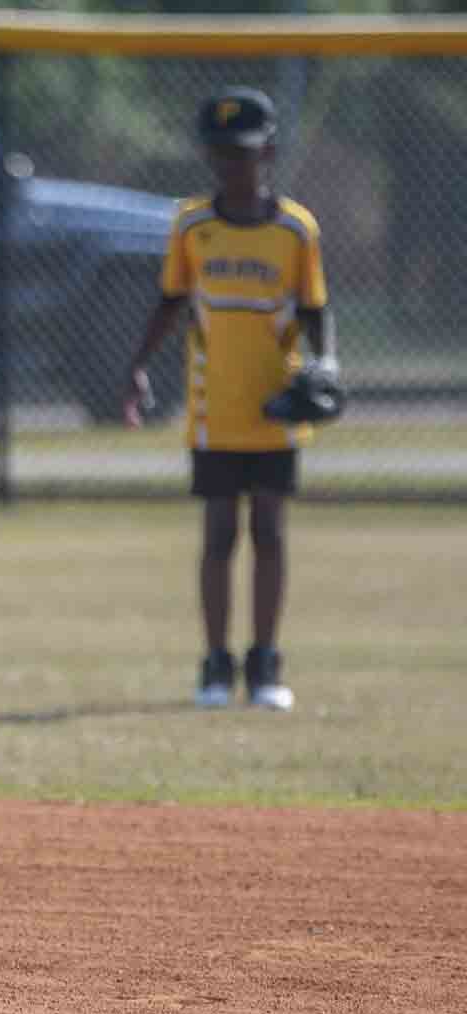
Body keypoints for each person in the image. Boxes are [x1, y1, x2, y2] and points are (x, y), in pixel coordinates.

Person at [123, 86, 337, 712]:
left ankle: (265, 663)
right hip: (213, 407)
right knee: (219, 535)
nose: (230, 167)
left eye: (241, 153)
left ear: (268, 151)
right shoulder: (193, 225)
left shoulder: (296, 229)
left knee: (269, 533)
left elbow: (318, 308)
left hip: (275, 405)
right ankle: (216, 663)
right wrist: (135, 367)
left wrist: (325, 367)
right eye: (219, 154)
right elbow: (170, 301)